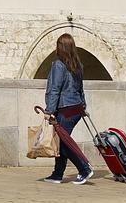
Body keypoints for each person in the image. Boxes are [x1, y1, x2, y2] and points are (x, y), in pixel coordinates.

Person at [43, 33, 93, 185]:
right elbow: (80, 89)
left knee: (64, 144)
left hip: (65, 109)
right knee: (61, 141)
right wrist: (83, 106)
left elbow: (54, 89)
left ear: (60, 47)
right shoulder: (78, 65)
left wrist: (49, 110)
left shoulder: (58, 65)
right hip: (75, 108)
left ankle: (84, 169)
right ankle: (57, 174)